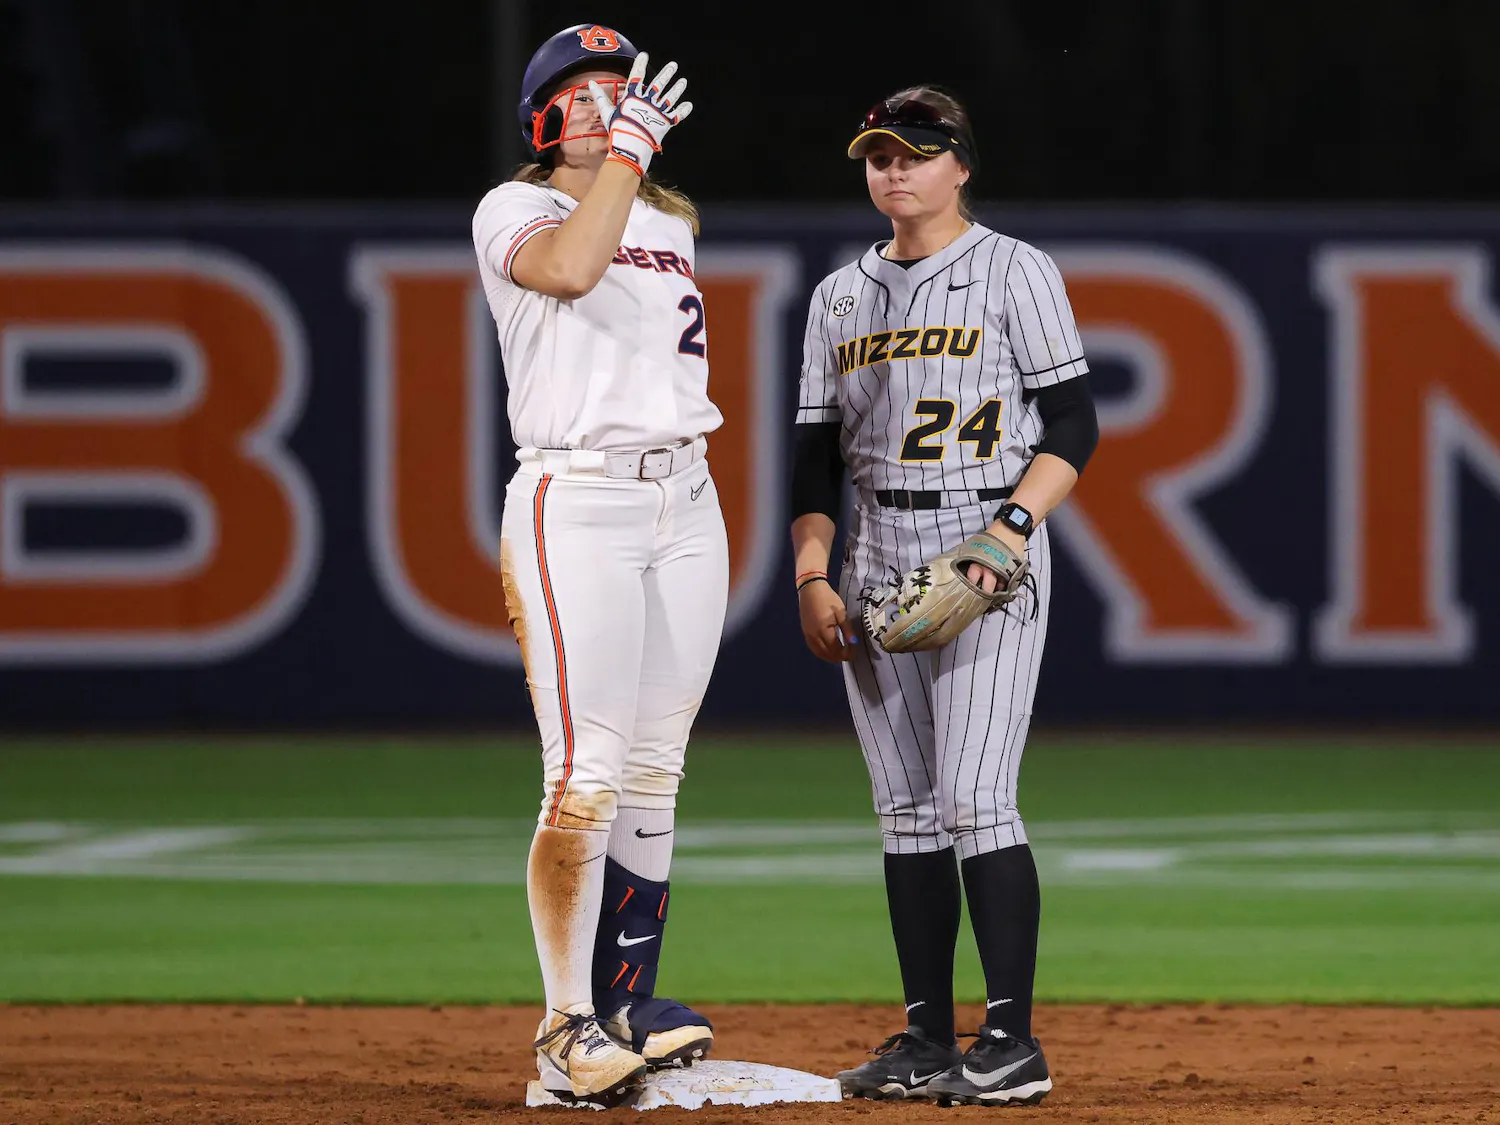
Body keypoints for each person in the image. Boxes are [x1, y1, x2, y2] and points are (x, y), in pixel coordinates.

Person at [789, 86, 1100, 1107]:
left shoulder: (1017, 271)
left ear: (960, 164)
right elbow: (811, 457)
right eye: (879, 155)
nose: (895, 171)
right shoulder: (837, 295)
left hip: (984, 532)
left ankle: (1010, 1041)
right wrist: (810, 571)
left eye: (916, 154)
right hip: (874, 544)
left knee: (974, 796)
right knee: (907, 814)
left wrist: (1008, 534)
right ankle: (928, 1037)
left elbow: (1073, 428)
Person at [471, 23, 725, 1108]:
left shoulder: (670, 216)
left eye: (622, 89)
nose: (610, 104)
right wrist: (621, 155)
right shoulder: (514, 208)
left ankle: (630, 999)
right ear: (544, 118)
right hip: (577, 498)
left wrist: (631, 165)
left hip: (688, 495)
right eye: (583, 91)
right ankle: (565, 1026)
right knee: (585, 772)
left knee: (658, 768)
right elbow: (573, 272)